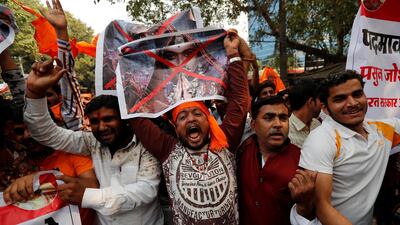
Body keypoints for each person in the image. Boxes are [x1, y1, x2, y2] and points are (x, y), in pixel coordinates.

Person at [22, 1, 164, 224]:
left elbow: (145, 191)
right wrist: (34, 93)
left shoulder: (145, 145)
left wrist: (89, 196)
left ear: (125, 120)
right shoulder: (92, 143)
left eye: (108, 119)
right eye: (95, 121)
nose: (101, 127)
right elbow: (46, 133)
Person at [129, 30, 249, 224]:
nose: (191, 120)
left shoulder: (226, 141)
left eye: (197, 113)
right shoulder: (167, 149)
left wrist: (233, 54)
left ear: (209, 120)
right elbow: (135, 116)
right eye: (182, 117)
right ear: (175, 127)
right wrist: (130, 65)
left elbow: (240, 101)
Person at [290, 70, 400, 225]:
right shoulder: (321, 139)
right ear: (325, 108)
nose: (352, 103)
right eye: (340, 99)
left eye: (357, 94)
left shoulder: (382, 131)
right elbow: (323, 208)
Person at [236, 96, 300, 225]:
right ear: (253, 125)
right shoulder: (242, 151)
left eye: (283, 118)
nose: (278, 124)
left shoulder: (300, 159)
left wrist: (306, 201)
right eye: (269, 118)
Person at [287, 79, 321, 148]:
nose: (321, 104)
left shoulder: (317, 124)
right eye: (320, 100)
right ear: (311, 101)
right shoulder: (287, 133)